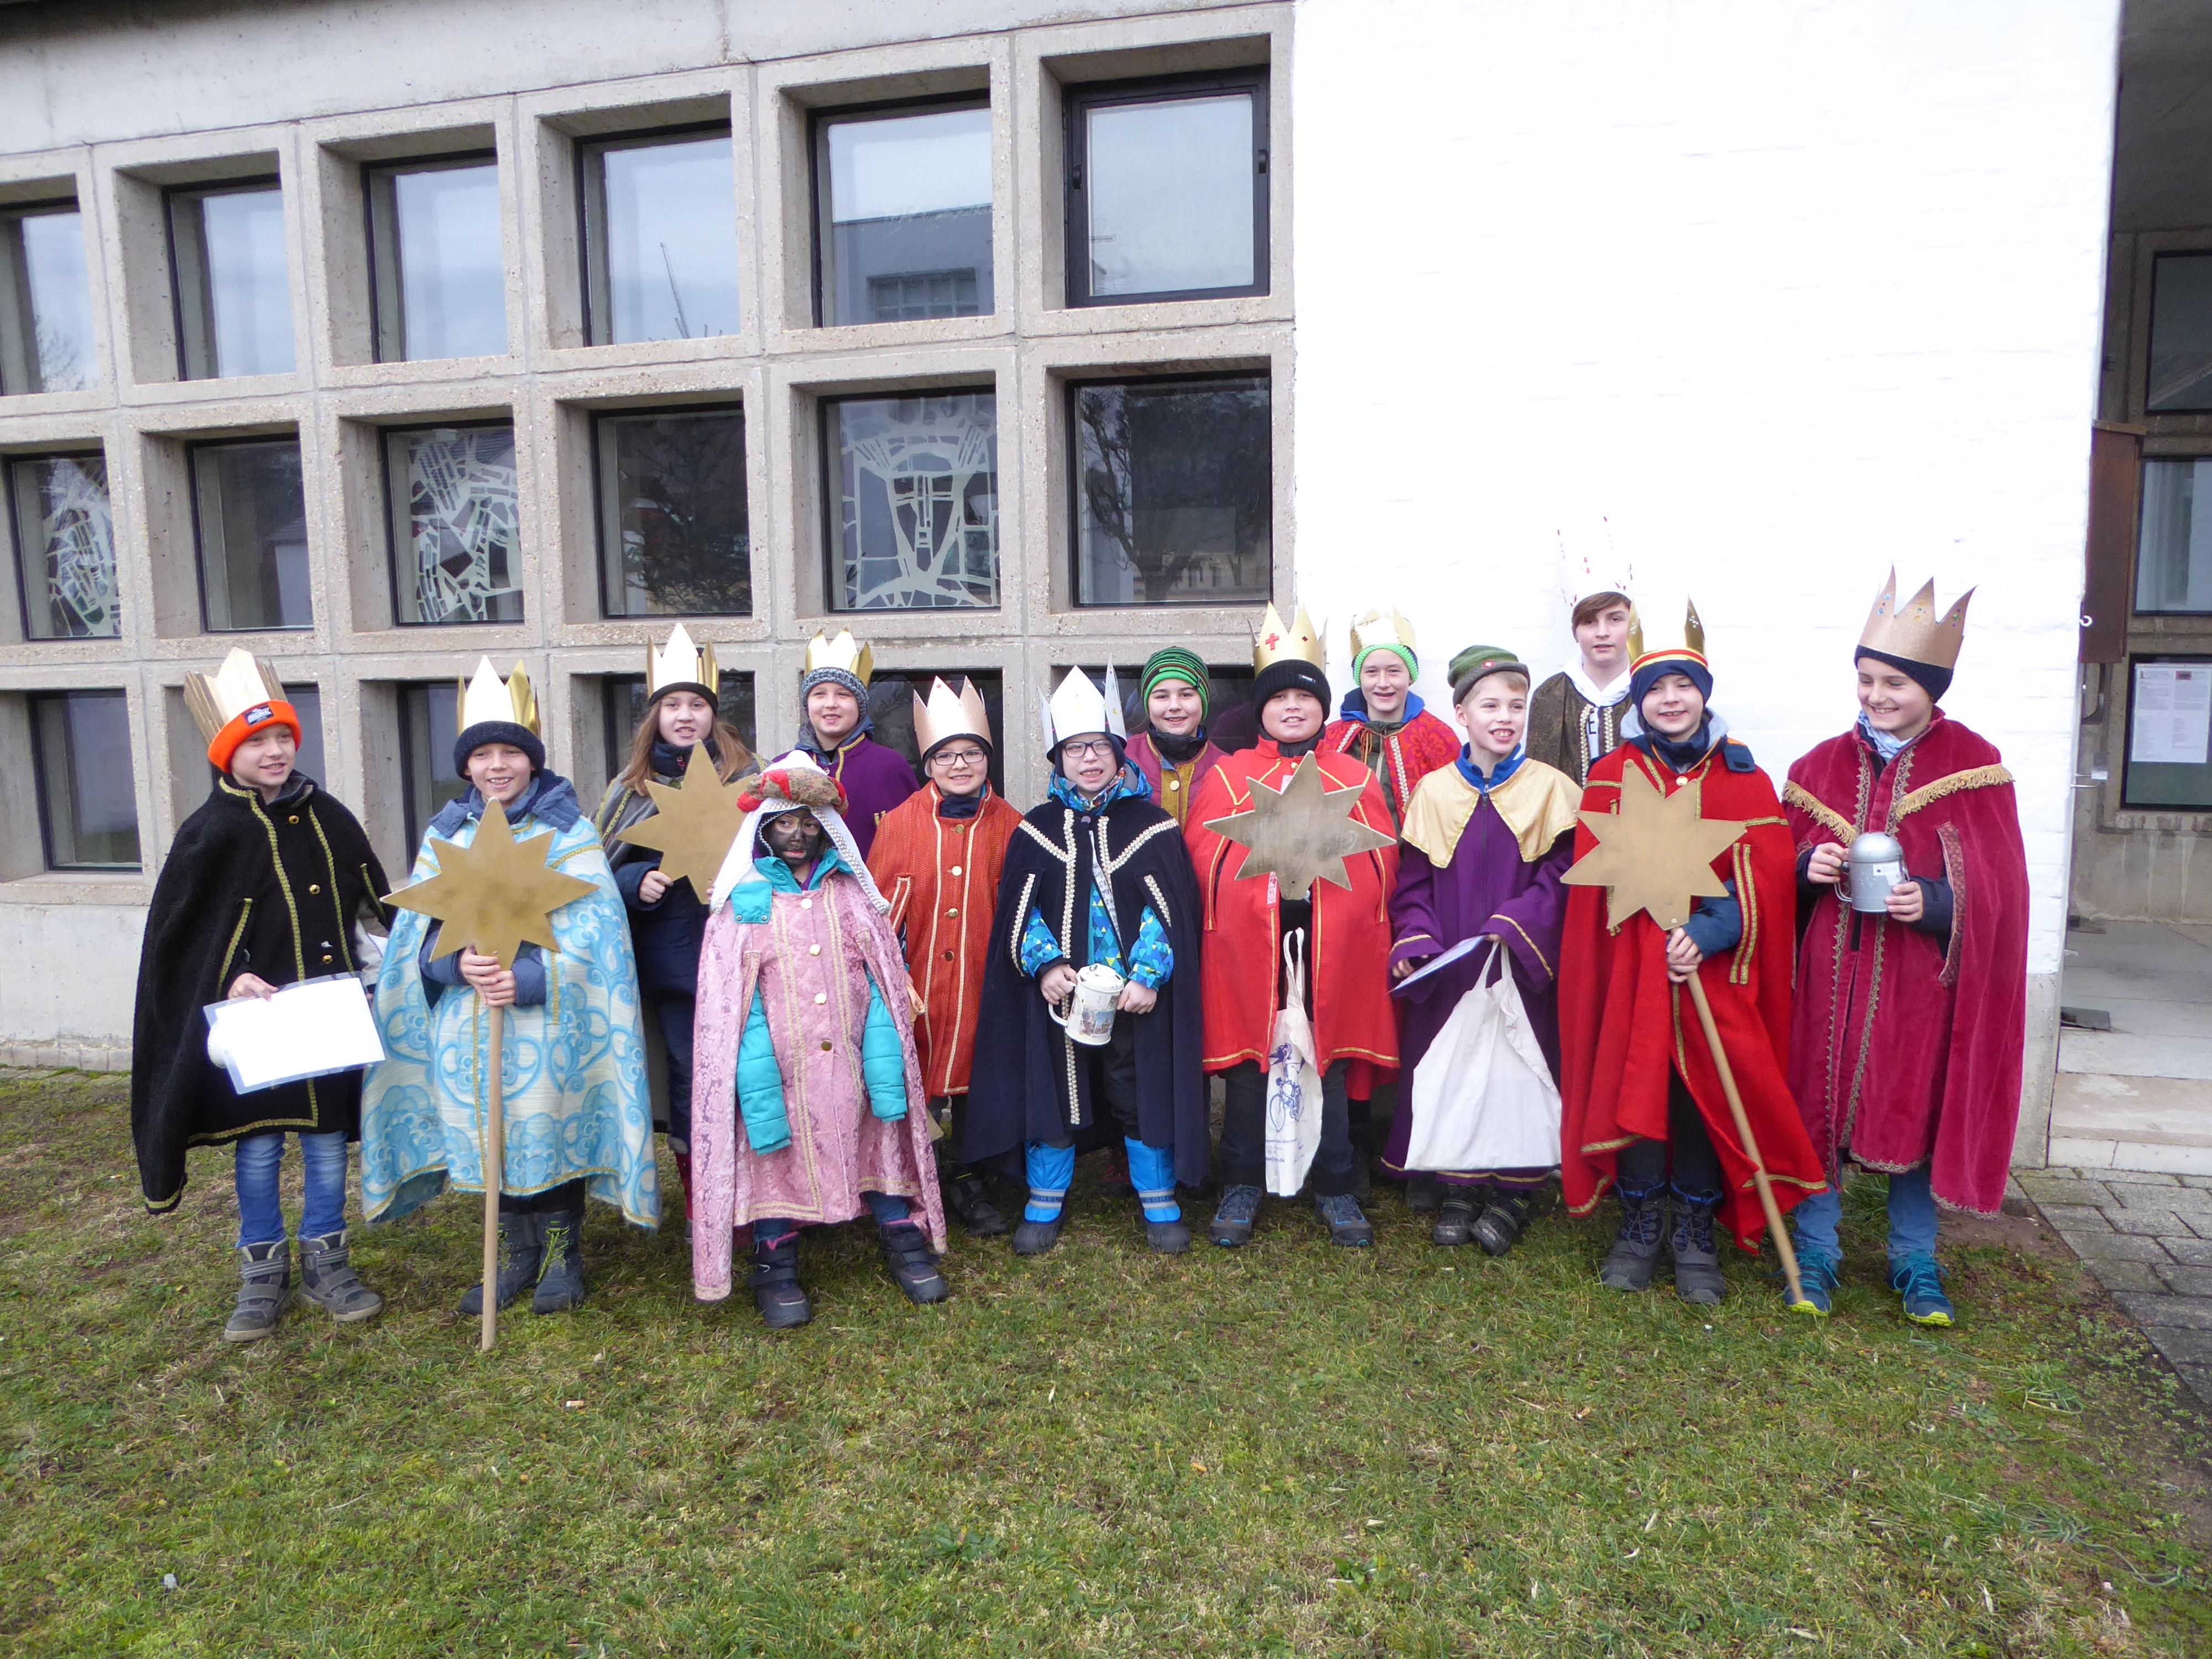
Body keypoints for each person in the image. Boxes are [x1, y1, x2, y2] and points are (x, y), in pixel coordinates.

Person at [363, 659, 658, 1314]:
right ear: (467, 766)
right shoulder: (447, 834)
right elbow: (416, 932)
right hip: (468, 1016)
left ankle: (560, 1253)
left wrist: (528, 976)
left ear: (531, 761)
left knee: (539, 1126)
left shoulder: (568, 832)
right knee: (490, 1130)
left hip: (544, 1017)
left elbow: (597, 930)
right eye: (484, 755)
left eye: (511, 753)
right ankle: (515, 1252)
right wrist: (453, 967)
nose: (498, 766)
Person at [1557, 603, 1827, 1305]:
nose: (1669, 700)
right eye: (1654, 689)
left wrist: (1710, 932)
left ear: (1703, 692)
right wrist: (1646, 935)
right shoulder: (1614, 775)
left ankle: (1693, 1229)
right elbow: (1598, 883)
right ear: (1638, 700)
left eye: (1682, 686)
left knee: (1699, 1095)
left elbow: (1765, 883)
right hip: (1635, 972)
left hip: (1713, 976)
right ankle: (1642, 1221)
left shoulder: (1743, 779)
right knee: (1638, 1081)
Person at [1781, 573, 2028, 1326]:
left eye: (1894, 682)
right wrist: (1805, 867)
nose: (1877, 695)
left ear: (1930, 684)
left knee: (1913, 1115)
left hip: (1920, 988)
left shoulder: (1975, 766)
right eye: (1865, 680)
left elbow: (2001, 890)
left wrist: (1938, 902)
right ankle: (1815, 1250)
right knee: (1816, 1109)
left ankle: (1915, 1259)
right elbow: (1769, 872)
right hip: (1827, 978)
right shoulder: (1819, 765)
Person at [131, 649, 390, 1342]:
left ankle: (326, 1262)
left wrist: (385, 971)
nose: (273, 752)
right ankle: (262, 1271)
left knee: (329, 1145)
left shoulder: (327, 814)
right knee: (261, 1148)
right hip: (261, 1022)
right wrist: (227, 977)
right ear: (229, 753)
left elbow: (372, 906)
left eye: (282, 738)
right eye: (256, 742)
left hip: (330, 1015)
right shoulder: (210, 832)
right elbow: (181, 940)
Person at [690, 754, 947, 1328]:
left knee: (874, 1137)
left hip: (858, 1057)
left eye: (810, 825)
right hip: (775, 1067)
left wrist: (880, 1047)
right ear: (764, 829)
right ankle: (775, 1259)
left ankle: (901, 1233)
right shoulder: (744, 902)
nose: (798, 837)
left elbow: (882, 976)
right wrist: (752, 1062)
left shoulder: (850, 894)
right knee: (773, 1154)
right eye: (785, 825)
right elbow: (727, 997)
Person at [961, 666, 1208, 1257]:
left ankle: (1157, 1197)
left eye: (1100, 746)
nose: (1089, 759)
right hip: (1063, 994)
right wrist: (1045, 966)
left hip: (1135, 996)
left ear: (1120, 754)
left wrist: (1148, 975)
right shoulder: (1037, 828)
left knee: (1138, 1085)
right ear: (1057, 759)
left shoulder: (1152, 826)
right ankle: (1045, 1199)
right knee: (1057, 1087)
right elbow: (1019, 912)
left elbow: (1169, 909)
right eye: (1075, 749)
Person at [1187, 604, 1398, 1249]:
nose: (1292, 707)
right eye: (1278, 697)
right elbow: (1204, 856)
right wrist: (1255, 885)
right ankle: (1242, 1180)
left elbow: (1380, 862)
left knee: (1324, 1060)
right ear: (1261, 709)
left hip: (1329, 949)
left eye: (1304, 698)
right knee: (1253, 1065)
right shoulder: (1227, 775)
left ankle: (1335, 1184)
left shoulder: (1354, 776)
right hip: (1255, 949)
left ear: (1322, 710)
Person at [1383, 645, 1580, 1254]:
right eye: (1489, 705)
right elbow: (1412, 880)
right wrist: (1416, 937)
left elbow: (1565, 873)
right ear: (1461, 714)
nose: (1504, 717)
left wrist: (1519, 922)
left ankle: (1515, 1188)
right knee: (1456, 1065)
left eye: (1516, 707)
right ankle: (1459, 1183)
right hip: (1454, 961)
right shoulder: (1434, 793)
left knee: (1517, 1069)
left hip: (1520, 959)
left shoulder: (1552, 790)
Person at [593, 624, 757, 1229]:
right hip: (672, 963)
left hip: (745, 952)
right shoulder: (630, 789)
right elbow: (591, 873)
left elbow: (786, 853)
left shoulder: (752, 777)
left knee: (753, 1071)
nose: (685, 717)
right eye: (673, 706)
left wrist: (745, 883)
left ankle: (760, 1194)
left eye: (696, 705)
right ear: (654, 715)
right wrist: (634, 884)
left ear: (713, 715)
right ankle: (703, 1202)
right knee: (692, 1078)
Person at [866, 677, 1025, 1238]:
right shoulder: (902, 822)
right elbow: (880, 910)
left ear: (987, 759)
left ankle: (970, 1176)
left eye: (972, 754)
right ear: (928, 763)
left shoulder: (1011, 823)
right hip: (921, 985)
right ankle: (919, 1175)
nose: (960, 765)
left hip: (986, 981)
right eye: (947, 756)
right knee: (923, 1083)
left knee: (980, 1083)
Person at [1319, 607, 1463, 1203]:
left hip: (1418, 893)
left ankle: (1417, 1145)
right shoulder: (1333, 737)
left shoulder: (1437, 737)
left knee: (1415, 1018)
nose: (1382, 683)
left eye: (1394, 671)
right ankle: (1352, 1143)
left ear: (1409, 676)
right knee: (1353, 1010)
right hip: (1347, 896)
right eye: (1372, 671)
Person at [794, 628, 917, 858]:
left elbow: (915, 845)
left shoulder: (889, 766)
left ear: (860, 705)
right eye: (819, 694)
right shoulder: (786, 767)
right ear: (807, 704)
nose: (831, 704)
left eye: (843, 695)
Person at [1526, 546, 1636, 784]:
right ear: (1575, 631)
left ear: (1632, 624)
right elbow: (1538, 784)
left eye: (1615, 619)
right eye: (1589, 622)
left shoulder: (1651, 689)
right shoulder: (1551, 695)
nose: (1602, 632)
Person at [1124, 646, 1228, 829]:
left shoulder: (1226, 768)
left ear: (1203, 700)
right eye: (1162, 696)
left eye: (1186, 695)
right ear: (1147, 703)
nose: (1174, 706)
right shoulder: (1124, 758)